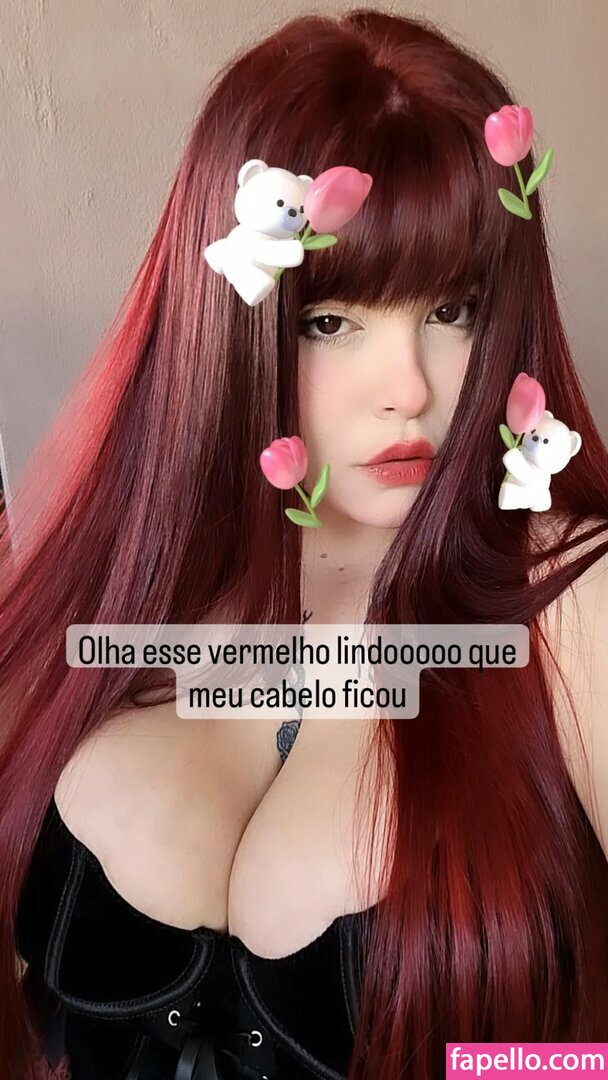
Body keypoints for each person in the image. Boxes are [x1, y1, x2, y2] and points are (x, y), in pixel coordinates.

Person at [1, 8, 607, 1079]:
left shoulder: (571, 593)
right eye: (332, 320)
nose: (408, 389)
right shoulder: (119, 580)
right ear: (231, 320)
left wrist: (509, 1068)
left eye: (453, 310)